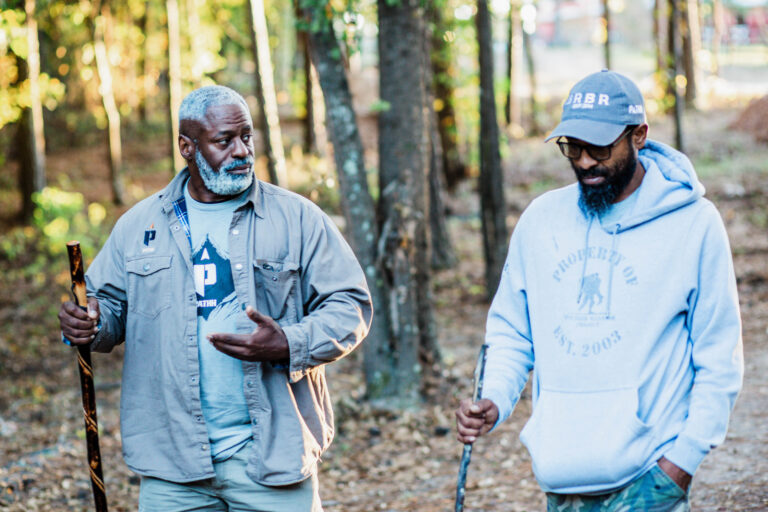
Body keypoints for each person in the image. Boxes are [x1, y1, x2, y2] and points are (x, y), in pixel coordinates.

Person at [58, 85, 372, 511]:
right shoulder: (138, 226)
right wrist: (88, 322)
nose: (242, 151)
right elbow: (106, 310)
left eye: (247, 137)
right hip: (173, 467)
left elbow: (350, 305)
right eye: (225, 140)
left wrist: (288, 343)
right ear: (187, 147)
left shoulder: (297, 218)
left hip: (270, 458)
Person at [455, 70, 743, 511]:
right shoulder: (540, 220)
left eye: (600, 148)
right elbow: (513, 332)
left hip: (650, 482)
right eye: (574, 147)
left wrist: (681, 463)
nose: (585, 161)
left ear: (640, 135)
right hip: (560, 482)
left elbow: (719, 355)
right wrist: (495, 397)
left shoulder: (693, 223)